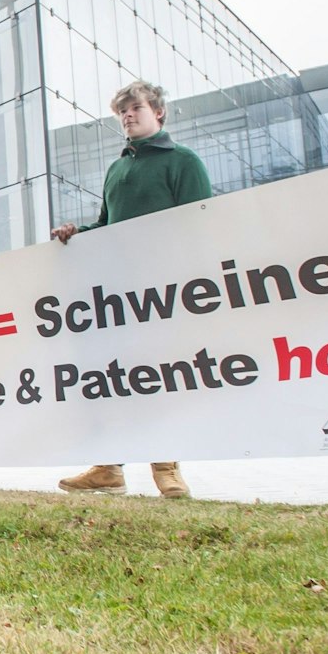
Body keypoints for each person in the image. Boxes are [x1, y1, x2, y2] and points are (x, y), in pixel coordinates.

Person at [50, 79, 212, 500]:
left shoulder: (183, 161)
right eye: (121, 110)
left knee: (158, 375)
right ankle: (109, 467)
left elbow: (199, 223)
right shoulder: (118, 168)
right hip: (117, 292)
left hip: (163, 289)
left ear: (158, 112)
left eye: (135, 108)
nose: (127, 115)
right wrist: (77, 232)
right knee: (113, 376)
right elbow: (108, 225)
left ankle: (166, 468)